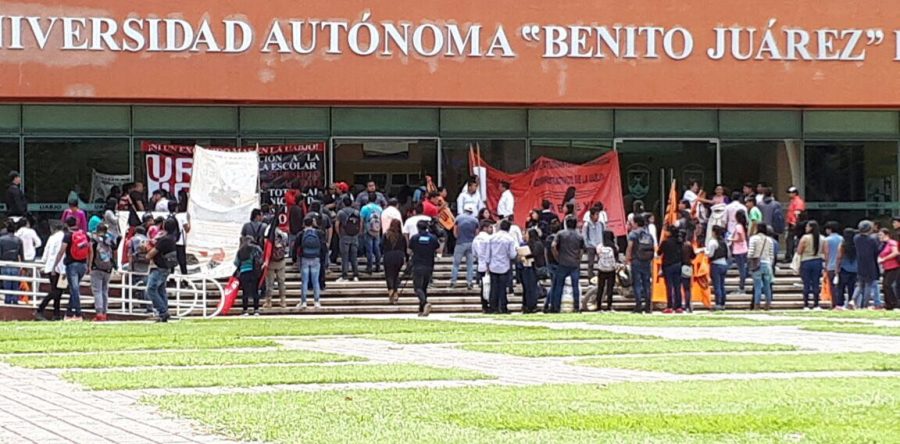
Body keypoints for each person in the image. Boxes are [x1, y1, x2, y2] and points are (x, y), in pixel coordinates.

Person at [54, 217, 91, 321]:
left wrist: (55, 265)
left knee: (74, 289)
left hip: (72, 265)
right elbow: (90, 249)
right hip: (83, 265)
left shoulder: (68, 236)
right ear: (77, 223)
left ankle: (78, 313)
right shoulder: (84, 235)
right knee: (74, 289)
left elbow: (61, 251)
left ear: (66, 224)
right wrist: (88, 265)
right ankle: (69, 313)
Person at [145, 218, 178, 322]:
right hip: (166, 267)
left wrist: (147, 254)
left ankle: (162, 311)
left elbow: (152, 253)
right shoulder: (173, 238)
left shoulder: (164, 239)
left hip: (159, 267)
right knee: (160, 290)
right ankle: (164, 312)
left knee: (151, 289)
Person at [409, 220, 440, 317]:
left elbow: (410, 250)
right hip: (429, 265)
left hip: (418, 265)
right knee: (424, 288)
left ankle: (425, 302)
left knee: (417, 288)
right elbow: (437, 249)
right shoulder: (433, 238)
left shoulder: (414, 238)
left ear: (417, 227)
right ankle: (421, 310)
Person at [36, 224, 66, 321]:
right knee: (57, 292)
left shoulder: (52, 237)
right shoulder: (65, 237)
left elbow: (46, 252)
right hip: (61, 268)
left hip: (50, 267)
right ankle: (40, 309)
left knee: (56, 291)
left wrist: (45, 262)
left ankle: (56, 314)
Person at [488, 219, 518, 314]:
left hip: (493, 265)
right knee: (502, 288)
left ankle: (493, 307)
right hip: (504, 266)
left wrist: (487, 264)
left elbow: (488, 253)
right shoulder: (509, 239)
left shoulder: (492, 238)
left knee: (493, 287)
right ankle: (503, 307)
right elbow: (512, 255)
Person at [626, 214, 654, 314]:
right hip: (646, 261)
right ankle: (648, 306)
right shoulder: (648, 234)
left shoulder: (633, 234)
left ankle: (638, 305)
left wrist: (627, 259)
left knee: (637, 283)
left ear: (636, 223)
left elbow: (630, 247)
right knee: (646, 283)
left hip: (636, 260)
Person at [90, 224, 116, 322]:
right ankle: (105, 313)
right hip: (108, 268)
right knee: (105, 290)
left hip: (97, 267)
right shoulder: (110, 240)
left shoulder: (94, 239)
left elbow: (91, 252)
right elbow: (114, 251)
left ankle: (99, 313)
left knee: (97, 291)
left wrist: (89, 266)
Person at [853, 221, 882, 310]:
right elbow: (876, 251)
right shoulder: (872, 240)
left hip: (860, 263)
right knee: (868, 285)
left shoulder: (856, 238)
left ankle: (853, 300)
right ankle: (864, 304)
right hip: (870, 264)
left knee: (860, 284)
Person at [295, 219, 323, 310]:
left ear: (304, 224)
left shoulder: (301, 234)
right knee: (315, 281)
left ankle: (303, 302)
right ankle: (316, 301)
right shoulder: (319, 233)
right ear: (312, 223)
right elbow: (323, 246)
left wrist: (295, 258)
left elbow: (296, 246)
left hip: (305, 258)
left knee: (304, 281)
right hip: (316, 257)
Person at [797, 220, 824, 310]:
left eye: (807, 226)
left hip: (806, 261)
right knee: (816, 282)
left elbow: (799, 251)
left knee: (806, 283)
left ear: (811, 228)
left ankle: (806, 304)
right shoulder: (822, 238)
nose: (806, 228)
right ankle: (816, 303)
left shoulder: (805, 238)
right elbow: (825, 251)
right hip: (818, 261)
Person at [450, 203, 478, 289]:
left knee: (456, 264)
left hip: (460, 243)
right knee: (470, 264)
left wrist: (457, 237)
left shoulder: (458, 218)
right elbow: (476, 233)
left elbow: (455, 230)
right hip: (471, 243)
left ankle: (453, 282)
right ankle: (469, 282)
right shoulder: (475, 220)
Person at [748, 223, 776, 310]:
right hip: (767, 264)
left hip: (757, 264)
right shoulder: (769, 240)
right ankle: (768, 304)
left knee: (757, 286)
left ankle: (757, 305)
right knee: (767, 286)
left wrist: (750, 261)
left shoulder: (754, 239)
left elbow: (750, 253)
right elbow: (772, 254)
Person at [234, 235, 263, 316]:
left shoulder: (240, 250)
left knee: (245, 292)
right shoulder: (256, 248)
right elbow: (260, 259)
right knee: (255, 291)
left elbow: (236, 263)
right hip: (254, 272)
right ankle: (256, 310)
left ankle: (245, 310)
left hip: (244, 273)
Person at [658, 225, 684, 314]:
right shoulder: (680, 242)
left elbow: (659, 252)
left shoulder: (665, 242)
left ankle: (670, 306)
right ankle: (678, 306)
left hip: (668, 265)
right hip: (678, 264)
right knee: (677, 286)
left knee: (669, 286)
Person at [335, 196, 361, 282]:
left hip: (344, 236)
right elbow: (360, 224)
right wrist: (358, 233)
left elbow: (337, 224)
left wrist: (340, 234)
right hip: (354, 236)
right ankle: (355, 275)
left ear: (343, 203)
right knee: (354, 256)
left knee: (344, 257)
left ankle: (345, 275)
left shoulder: (341, 212)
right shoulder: (357, 212)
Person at [382, 219, 407, 305]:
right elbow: (405, 247)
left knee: (389, 275)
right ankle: (395, 292)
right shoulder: (401, 236)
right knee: (396, 274)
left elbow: (381, 245)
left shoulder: (386, 235)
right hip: (399, 256)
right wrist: (406, 259)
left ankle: (391, 290)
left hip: (388, 255)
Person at [521, 227, 545, 313]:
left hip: (533, 268)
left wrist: (525, 256)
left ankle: (531, 305)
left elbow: (535, 255)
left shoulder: (537, 244)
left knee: (531, 288)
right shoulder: (528, 244)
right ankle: (527, 305)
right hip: (527, 267)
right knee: (527, 288)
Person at [0, 220, 24, 305]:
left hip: (4, 264)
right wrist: (23, 265)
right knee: (15, 284)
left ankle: (7, 300)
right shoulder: (19, 240)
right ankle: (15, 300)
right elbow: (21, 254)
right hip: (15, 264)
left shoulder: (1, 240)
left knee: (7, 283)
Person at [264, 228, 289, 309]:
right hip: (281, 261)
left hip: (271, 262)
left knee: (269, 283)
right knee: (281, 282)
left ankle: (268, 301)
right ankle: (283, 301)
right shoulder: (284, 235)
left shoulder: (269, 235)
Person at [472, 220, 494, 313]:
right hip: (490, 265)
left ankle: (484, 305)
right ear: (485, 228)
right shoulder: (490, 239)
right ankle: (492, 304)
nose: (492, 229)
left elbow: (474, 254)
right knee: (491, 286)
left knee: (483, 287)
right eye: (490, 227)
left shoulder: (475, 239)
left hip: (480, 265)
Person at [835, 228, 858, 310]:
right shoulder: (857, 244)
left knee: (841, 287)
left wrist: (836, 268)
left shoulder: (843, 245)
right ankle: (851, 302)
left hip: (844, 268)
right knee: (852, 287)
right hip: (855, 268)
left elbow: (839, 257)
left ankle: (840, 303)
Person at [707, 225, 729, 311]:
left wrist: (705, 252)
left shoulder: (713, 242)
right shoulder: (724, 242)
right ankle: (723, 303)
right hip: (724, 263)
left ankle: (718, 303)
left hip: (716, 264)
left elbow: (710, 254)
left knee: (717, 285)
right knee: (722, 285)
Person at [877, 228, 899, 310]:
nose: (880, 237)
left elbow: (896, 252)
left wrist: (884, 259)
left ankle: (893, 303)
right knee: (885, 285)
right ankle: (888, 303)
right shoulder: (883, 244)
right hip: (886, 267)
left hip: (894, 266)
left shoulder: (891, 243)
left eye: (881, 235)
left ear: (887, 235)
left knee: (887, 284)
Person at [822, 221, 843, 306]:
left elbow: (826, 253)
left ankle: (834, 303)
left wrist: (825, 265)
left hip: (831, 265)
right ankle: (840, 302)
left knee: (832, 286)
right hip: (840, 265)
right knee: (840, 286)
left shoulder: (827, 240)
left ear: (829, 230)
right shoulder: (842, 239)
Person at [360, 198, 383, 274]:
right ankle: (378, 266)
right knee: (377, 248)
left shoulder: (365, 208)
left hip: (368, 230)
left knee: (369, 249)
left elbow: (362, 220)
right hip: (377, 230)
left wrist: (361, 230)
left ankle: (369, 267)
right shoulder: (379, 208)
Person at [167, 201, 190, 275]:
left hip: (170, 242)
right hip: (180, 241)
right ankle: (185, 280)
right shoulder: (181, 217)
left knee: (171, 261)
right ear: (176, 207)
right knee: (182, 262)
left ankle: (171, 279)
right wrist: (189, 220)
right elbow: (187, 229)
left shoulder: (167, 217)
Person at [582, 207, 605, 279]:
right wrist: (587, 245)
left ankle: (601, 277)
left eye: (598, 215)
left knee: (601, 263)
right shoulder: (587, 225)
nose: (597, 216)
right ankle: (590, 277)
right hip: (591, 246)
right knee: (590, 263)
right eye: (596, 214)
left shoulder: (600, 224)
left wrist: (602, 244)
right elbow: (585, 236)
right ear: (591, 215)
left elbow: (602, 234)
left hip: (600, 246)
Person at [731, 211, 750, 295]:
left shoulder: (738, 226)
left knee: (741, 269)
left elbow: (741, 238)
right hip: (743, 249)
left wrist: (732, 240)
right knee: (742, 269)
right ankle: (741, 285)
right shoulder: (743, 226)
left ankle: (741, 287)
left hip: (739, 250)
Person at [785, 186, 806, 261]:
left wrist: (794, 222)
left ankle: (790, 256)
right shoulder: (793, 201)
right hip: (792, 223)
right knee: (790, 240)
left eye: (790, 193)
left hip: (795, 224)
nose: (789, 195)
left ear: (794, 193)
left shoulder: (798, 202)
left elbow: (797, 213)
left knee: (791, 240)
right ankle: (790, 255)